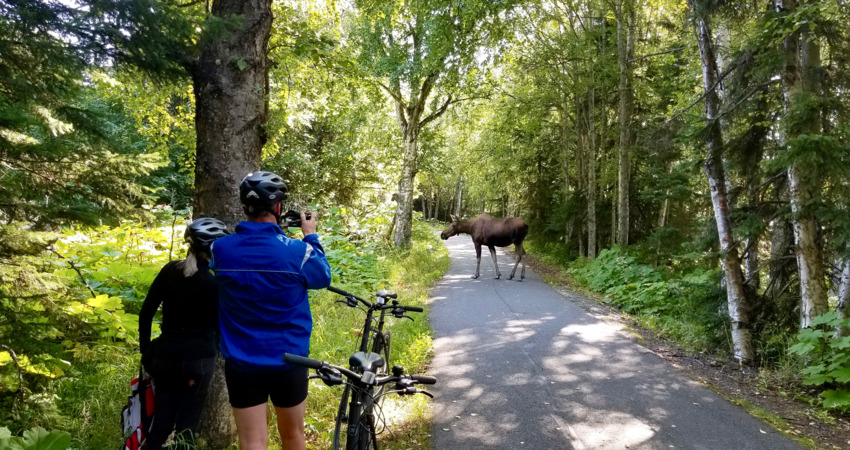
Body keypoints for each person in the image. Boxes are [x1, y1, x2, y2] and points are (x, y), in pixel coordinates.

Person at [210, 171, 332, 450]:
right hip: (289, 360)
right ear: (278, 208)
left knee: (252, 441)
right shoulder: (296, 252)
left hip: (242, 362)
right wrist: (310, 236)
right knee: (293, 436)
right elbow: (322, 277)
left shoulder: (220, 249)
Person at [139, 217, 230, 450]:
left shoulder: (171, 270)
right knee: (186, 426)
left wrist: (146, 350)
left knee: (161, 421)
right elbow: (221, 326)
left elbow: (146, 312)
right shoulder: (215, 283)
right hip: (197, 362)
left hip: (163, 358)